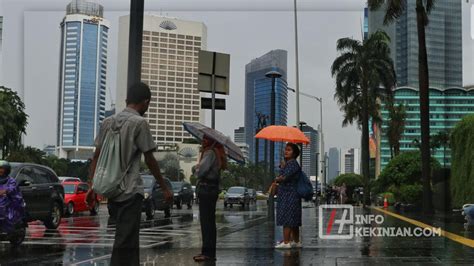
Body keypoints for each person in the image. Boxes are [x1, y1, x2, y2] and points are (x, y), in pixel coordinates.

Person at [86, 82, 173, 266]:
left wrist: (91, 186)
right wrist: (164, 187)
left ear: (127, 100)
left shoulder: (108, 122)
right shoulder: (139, 123)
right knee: (126, 242)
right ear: (145, 102)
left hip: (111, 190)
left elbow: (96, 157)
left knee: (127, 241)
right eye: (148, 104)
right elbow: (150, 159)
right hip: (130, 191)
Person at [193, 136, 227, 262]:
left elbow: (200, 171)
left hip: (206, 189)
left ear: (213, 141)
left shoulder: (210, 153)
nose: (203, 141)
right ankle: (209, 253)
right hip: (211, 190)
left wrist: (195, 168)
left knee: (206, 223)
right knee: (209, 223)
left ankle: (207, 253)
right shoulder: (215, 153)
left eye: (206, 139)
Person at [275, 143, 303, 249]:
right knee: (294, 220)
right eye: (285, 149)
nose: (286, 151)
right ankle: (296, 241)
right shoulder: (292, 164)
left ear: (294, 153)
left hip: (288, 195)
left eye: (289, 150)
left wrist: (279, 175)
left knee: (287, 218)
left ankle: (286, 242)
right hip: (291, 194)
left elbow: (283, 178)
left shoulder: (292, 164)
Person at [0, 161, 25, 233]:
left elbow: (12, 188)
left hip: (10, 200)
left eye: (1, 169)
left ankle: (7, 229)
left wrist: (5, 191)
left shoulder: (11, 180)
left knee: (2, 208)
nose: (0, 170)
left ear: (6, 170)